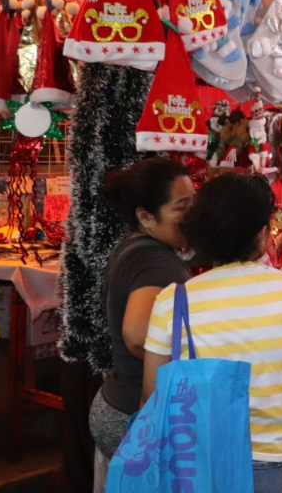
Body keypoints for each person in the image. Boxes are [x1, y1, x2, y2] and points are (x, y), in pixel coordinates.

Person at [142, 173, 282, 493]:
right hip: (270, 463)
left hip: (194, 463)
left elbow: (152, 398)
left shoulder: (174, 301)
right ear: (262, 234)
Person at [88, 157, 194, 492]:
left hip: (117, 403)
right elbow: (136, 336)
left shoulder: (136, 248)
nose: (194, 216)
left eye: (194, 203)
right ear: (146, 216)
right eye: (182, 207)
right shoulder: (155, 261)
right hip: (132, 414)